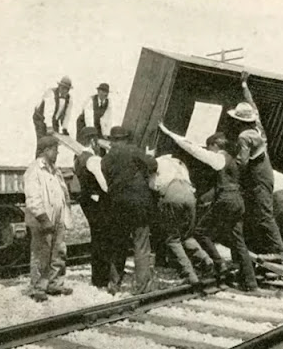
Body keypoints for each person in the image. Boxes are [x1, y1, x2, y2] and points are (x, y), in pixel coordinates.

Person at [158, 123, 258, 291]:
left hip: (226, 199)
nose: (208, 150)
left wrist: (170, 133)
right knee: (239, 242)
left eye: (209, 147)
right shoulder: (236, 160)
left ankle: (219, 264)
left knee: (200, 232)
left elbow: (194, 150)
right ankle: (251, 282)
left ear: (215, 145)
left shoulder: (220, 158)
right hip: (238, 201)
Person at [229, 73, 283, 258]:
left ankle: (278, 251)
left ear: (238, 121)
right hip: (265, 172)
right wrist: (244, 85)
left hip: (258, 177)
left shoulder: (244, 136)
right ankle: (267, 247)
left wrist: (228, 170)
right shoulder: (258, 127)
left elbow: (242, 162)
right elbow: (253, 106)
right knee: (261, 212)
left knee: (264, 213)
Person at [101, 126, 158, 294]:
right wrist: (149, 156)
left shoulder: (105, 159)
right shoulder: (134, 150)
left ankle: (114, 284)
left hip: (117, 205)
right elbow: (153, 165)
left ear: (112, 141)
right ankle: (142, 286)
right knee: (141, 244)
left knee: (118, 244)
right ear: (126, 138)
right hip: (139, 204)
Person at [149, 154, 214, 284]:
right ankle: (206, 259)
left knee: (173, 239)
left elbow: (153, 186)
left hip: (172, 195)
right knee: (187, 236)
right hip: (189, 195)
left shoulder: (156, 162)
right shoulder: (178, 162)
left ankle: (189, 274)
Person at [24, 135, 73, 302]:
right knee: (41, 254)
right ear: (46, 150)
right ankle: (38, 288)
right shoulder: (34, 170)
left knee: (59, 252)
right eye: (55, 150)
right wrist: (44, 219)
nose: (57, 153)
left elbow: (63, 193)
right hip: (42, 219)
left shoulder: (55, 170)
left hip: (57, 217)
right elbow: (33, 198)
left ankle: (55, 284)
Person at [73, 127, 110, 289]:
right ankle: (102, 278)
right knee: (103, 238)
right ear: (93, 141)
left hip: (87, 201)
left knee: (96, 236)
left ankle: (97, 278)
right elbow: (104, 185)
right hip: (98, 202)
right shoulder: (93, 159)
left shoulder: (78, 158)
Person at [33, 76, 74, 153]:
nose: (64, 90)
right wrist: (49, 127)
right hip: (40, 119)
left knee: (55, 141)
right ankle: (40, 159)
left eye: (67, 89)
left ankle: (52, 159)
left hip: (54, 119)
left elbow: (67, 115)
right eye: (63, 88)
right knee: (43, 141)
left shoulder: (69, 99)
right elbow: (48, 112)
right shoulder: (51, 93)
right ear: (59, 86)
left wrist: (64, 128)